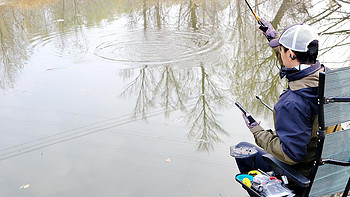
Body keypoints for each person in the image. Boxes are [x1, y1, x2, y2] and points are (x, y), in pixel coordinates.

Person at [235, 20, 325, 177]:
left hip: (301, 173)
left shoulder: (291, 102)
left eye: (282, 49)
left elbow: (292, 155)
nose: (281, 54)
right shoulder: (328, 78)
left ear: (291, 53)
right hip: (326, 166)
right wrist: (273, 38)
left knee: (242, 150)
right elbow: (293, 62)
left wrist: (257, 130)